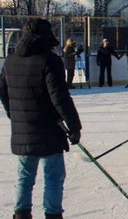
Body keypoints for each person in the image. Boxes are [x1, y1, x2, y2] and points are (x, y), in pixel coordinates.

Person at [0, 18, 82, 219]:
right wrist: (73, 125)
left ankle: (21, 214)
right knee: (53, 176)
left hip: (24, 130)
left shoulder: (10, 60)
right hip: (49, 130)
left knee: (24, 177)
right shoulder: (49, 60)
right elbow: (59, 96)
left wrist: (15, 115)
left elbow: (3, 92)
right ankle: (53, 214)